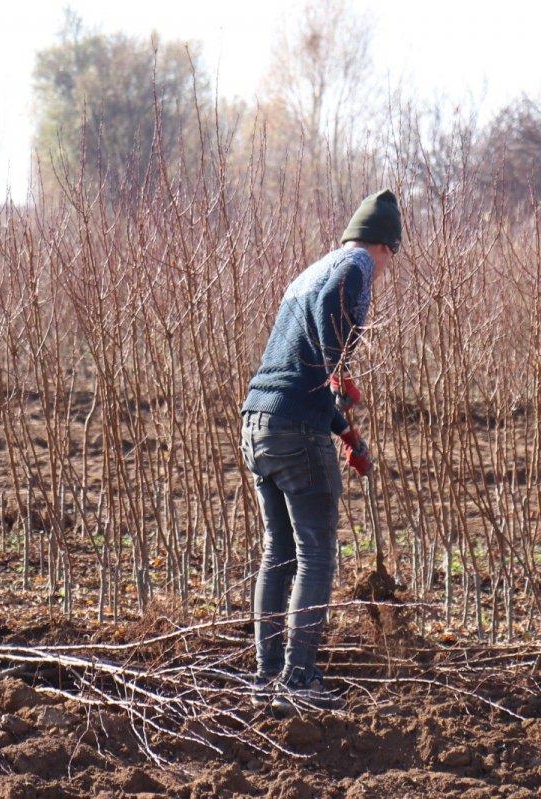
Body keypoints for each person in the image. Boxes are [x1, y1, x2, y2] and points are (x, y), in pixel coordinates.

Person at [239, 189, 400, 710]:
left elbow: (294, 373)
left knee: (279, 552)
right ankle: (299, 681)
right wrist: (340, 367)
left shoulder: (309, 272)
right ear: (386, 246)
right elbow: (332, 336)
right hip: (295, 433)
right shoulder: (355, 266)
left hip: (259, 422)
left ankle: (266, 678)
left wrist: (347, 433)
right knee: (316, 557)